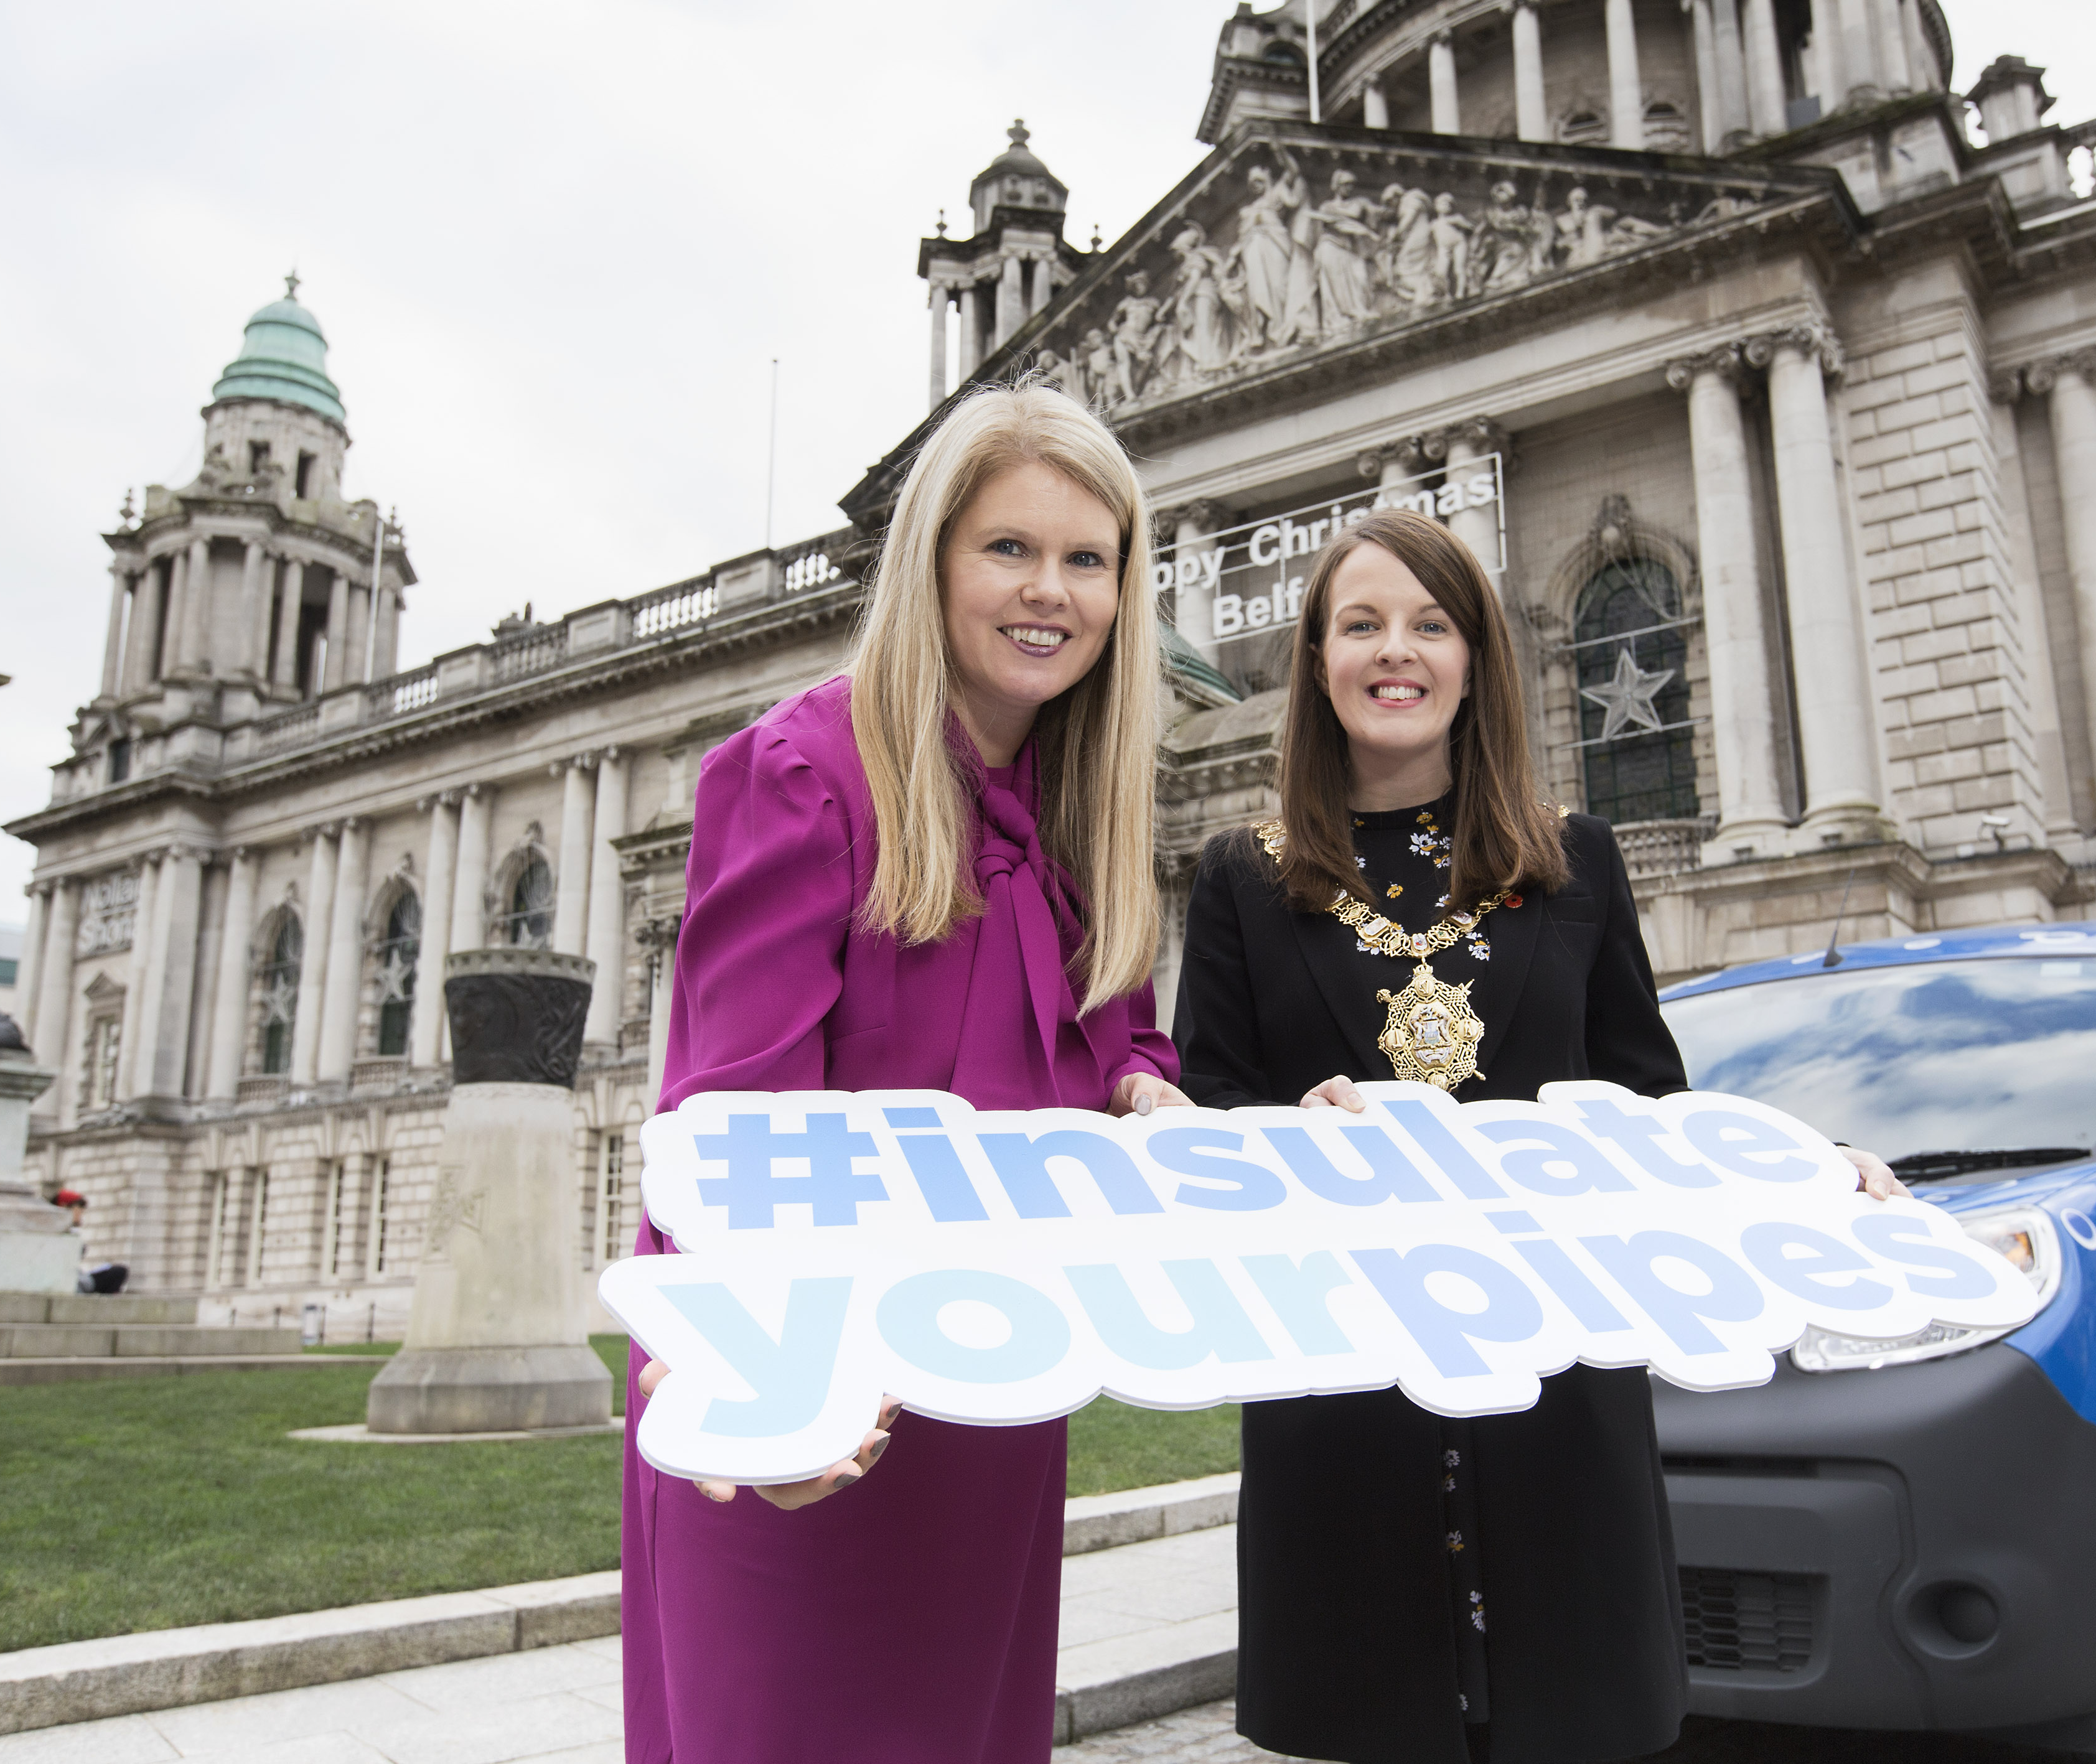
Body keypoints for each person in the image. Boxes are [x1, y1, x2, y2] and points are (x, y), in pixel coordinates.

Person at [1172, 510, 1905, 1764]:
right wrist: (1285, 1130)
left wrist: (1793, 1171)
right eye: (1359, 624)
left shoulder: (1574, 861)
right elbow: (1209, 1113)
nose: (1393, 651)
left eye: (1429, 624)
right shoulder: (1242, 875)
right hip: (1344, 1404)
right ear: (1312, 656)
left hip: (1559, 1403)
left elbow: (1647, 1106)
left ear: (1474, 659)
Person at [622, 378, 1189, 1764]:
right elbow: (732, 1122)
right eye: (1007, 547)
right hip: (808, 1397)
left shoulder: (1081, 815)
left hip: (992, 1401)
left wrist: (1152, 1097)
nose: (1046, 590)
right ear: (932, 557)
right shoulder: (801, 772)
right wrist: (762, 1382)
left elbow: (1124, 1044)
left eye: (1084, 557)